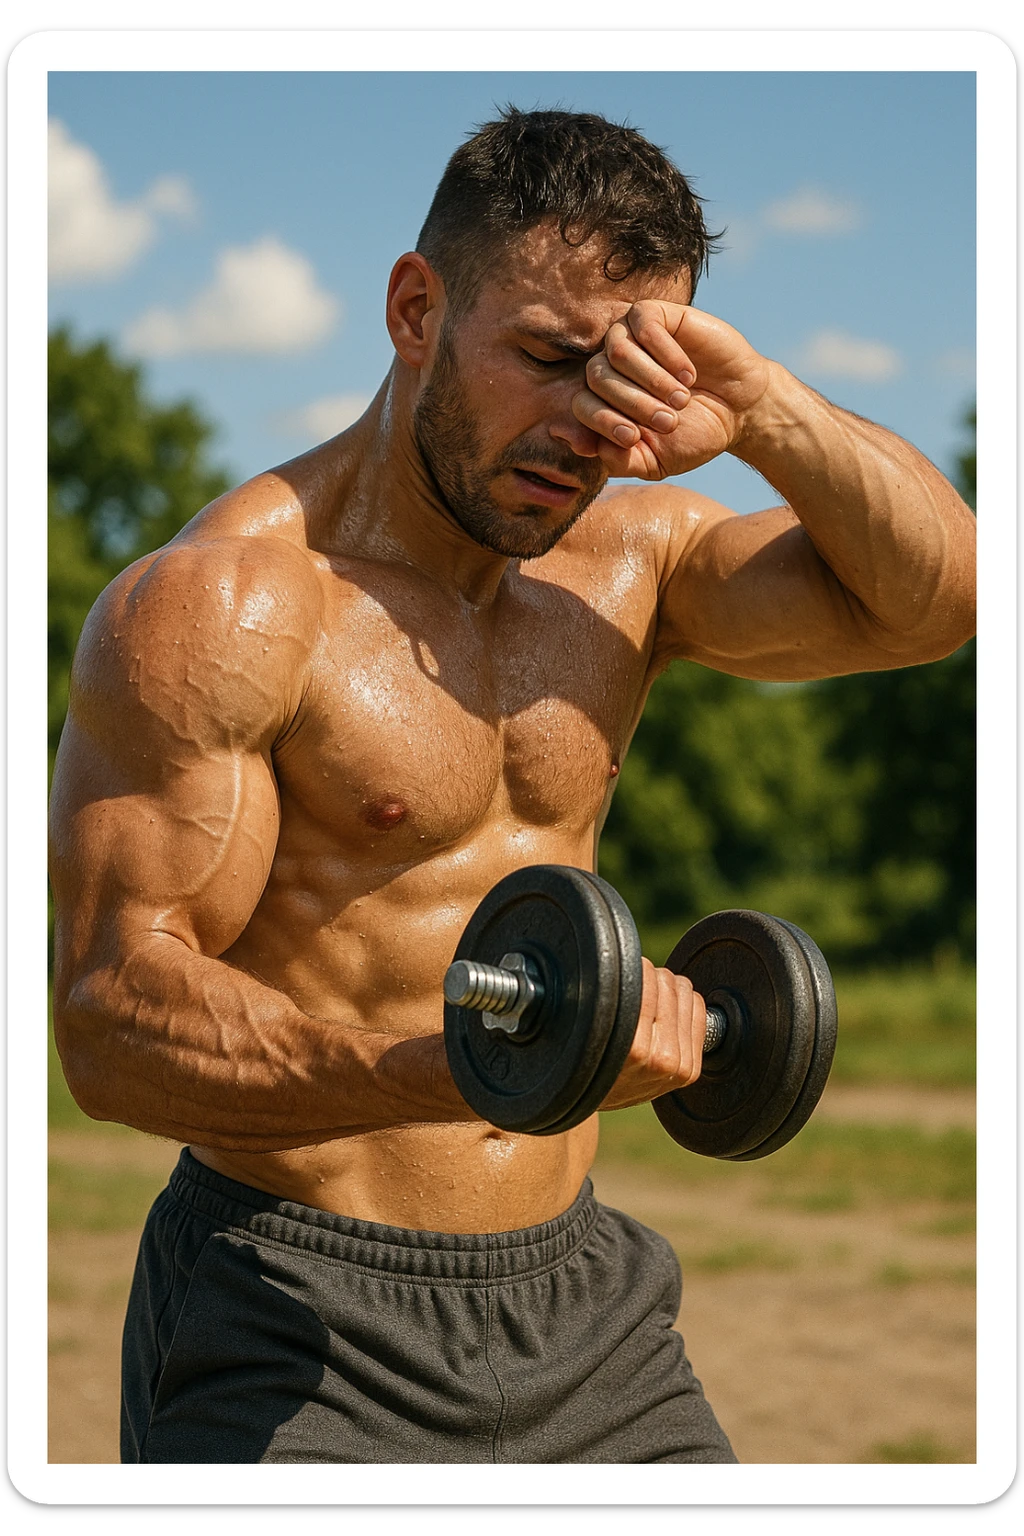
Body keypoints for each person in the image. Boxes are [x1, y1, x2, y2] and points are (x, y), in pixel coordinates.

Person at [48, 108, 976, 1466]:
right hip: (291, 1305)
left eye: (629, 374)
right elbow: (113, 1019)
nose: (587, 422)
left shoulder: (632, 566)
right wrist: (474, 1071)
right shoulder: (230, 603)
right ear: (415, 311)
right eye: (546, 358)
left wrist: (764, 405)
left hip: (585, 1305)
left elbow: (935, 602)